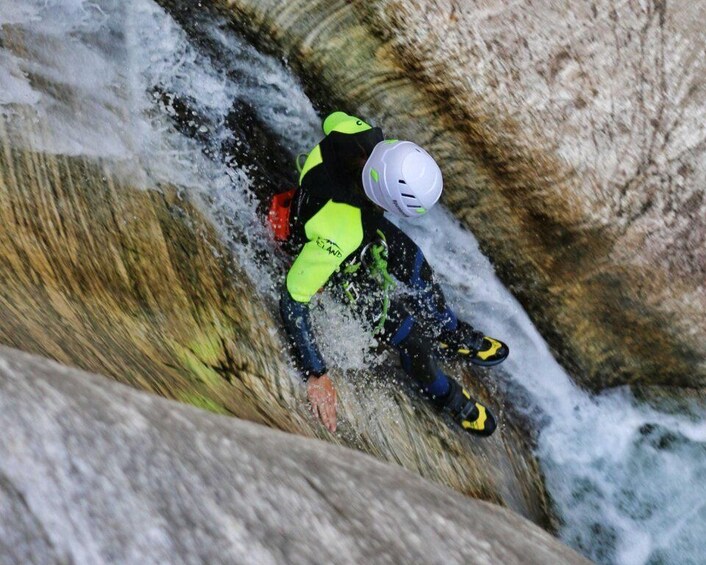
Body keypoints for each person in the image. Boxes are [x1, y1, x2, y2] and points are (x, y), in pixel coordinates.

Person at [277, 111, 508, 436]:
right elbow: (293, 299)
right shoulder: (338, 234)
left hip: (356, 221)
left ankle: (449, 333)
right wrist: (317, 373)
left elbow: (331, 119)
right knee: (413, 341)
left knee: (417, 267)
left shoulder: (354, 133)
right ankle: (448, 397)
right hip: (338, 260)